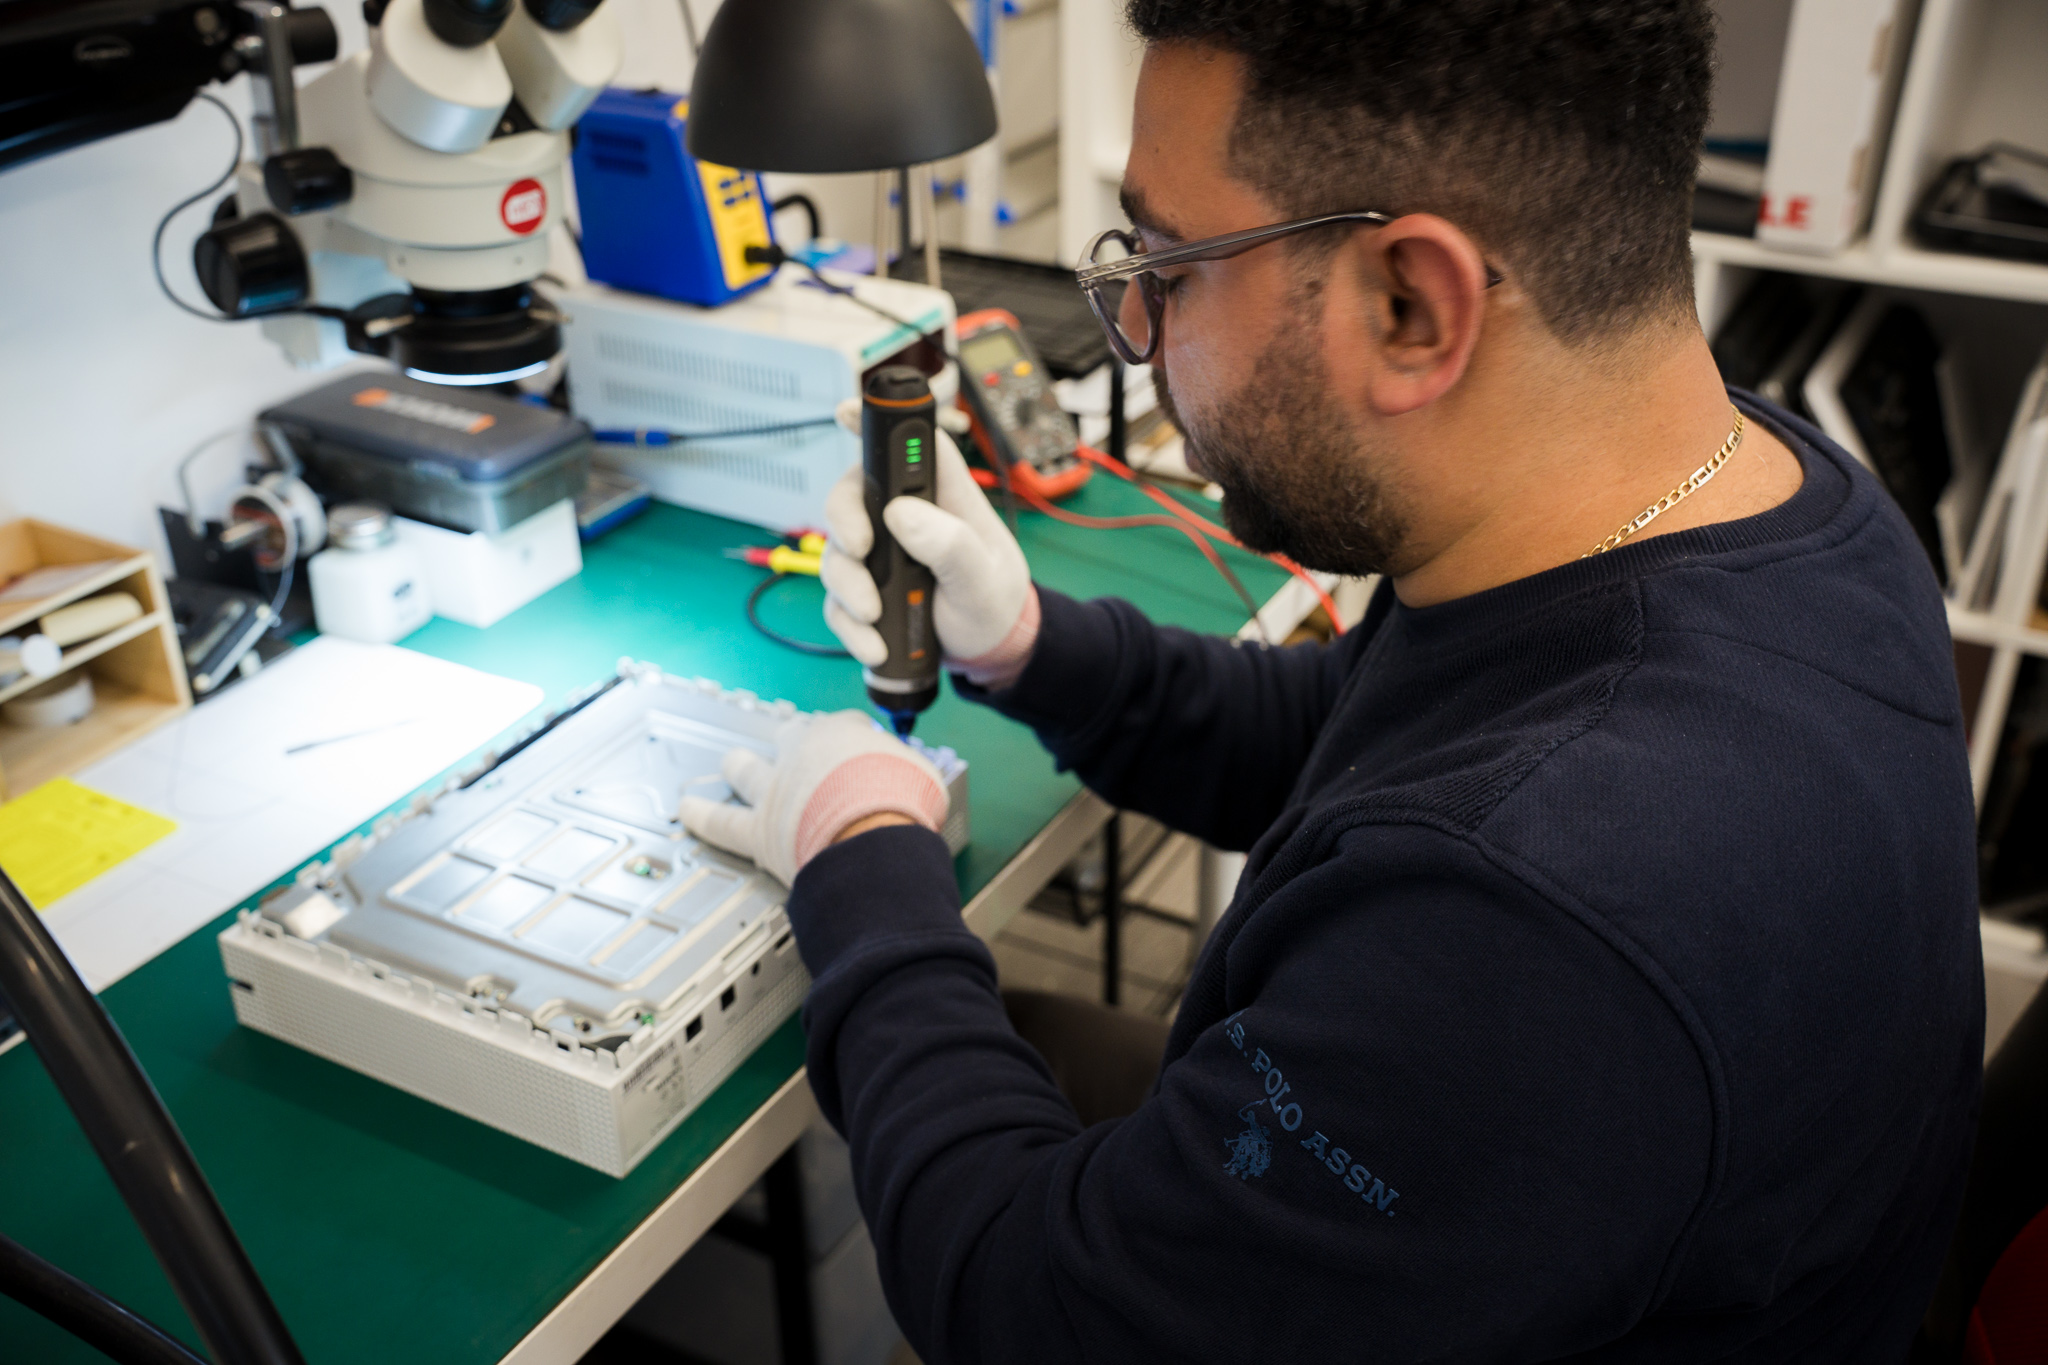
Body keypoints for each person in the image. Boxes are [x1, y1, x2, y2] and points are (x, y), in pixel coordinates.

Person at [678, 1, 1985, 1358]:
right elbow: (1365, 737)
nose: (1138, 328)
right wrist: (1028, 643)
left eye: (1172, 266)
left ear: (1413, 305)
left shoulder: (1543, 925)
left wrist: (864, 851)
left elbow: (1032, 1313)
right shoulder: (1763, 498)